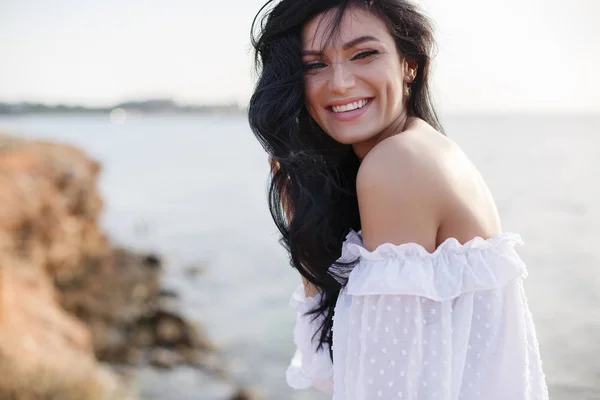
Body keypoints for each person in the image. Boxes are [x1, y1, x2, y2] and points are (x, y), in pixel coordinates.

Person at [248, 0, 549, 398]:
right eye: (314, 65)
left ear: (410, 64)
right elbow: (340, 372)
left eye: (364, 54)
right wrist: (302, 222)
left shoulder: (396, 164)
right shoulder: (417, 150)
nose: (339, 83)